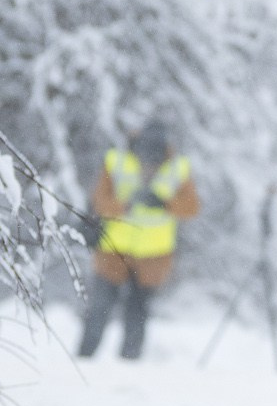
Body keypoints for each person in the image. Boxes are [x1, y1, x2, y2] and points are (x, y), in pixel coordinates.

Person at [79, 122, 200, 360]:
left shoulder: (177, 168)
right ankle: (84, 358)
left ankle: (129, 362)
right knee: (100, 307)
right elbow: (98, 201)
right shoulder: (116, 161)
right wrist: (125, 204)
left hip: (154, 255)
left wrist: (164, 203)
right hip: (114, 250)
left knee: (138, 312)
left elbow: (192, 207)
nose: (150, 163)